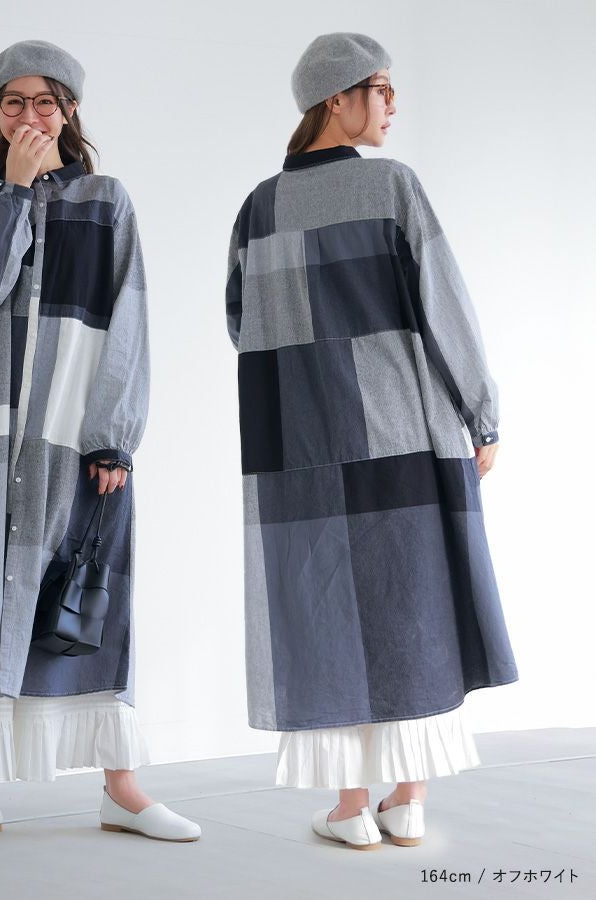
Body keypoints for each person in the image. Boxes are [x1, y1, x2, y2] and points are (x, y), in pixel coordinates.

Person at [224, 32, 519, 851]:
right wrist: (480, 413)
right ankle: (407, 799)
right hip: (400, 426)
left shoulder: (259, 205)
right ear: (337, 98)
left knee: (322, 606)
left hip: (295, 439)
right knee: (412, 598)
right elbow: (443, 303)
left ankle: (351, 807)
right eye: (379, 88)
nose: (392, 103)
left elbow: (239, 321)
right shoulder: (392, 186)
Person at [0, 39, 200, 846]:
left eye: (44, 101)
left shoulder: (107, 200)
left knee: (85, 594)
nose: (29, 115)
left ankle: (123, 791)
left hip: (77, 434)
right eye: (13, 103)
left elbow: (130, 318)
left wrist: (113, 437)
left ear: (70, 110)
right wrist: (14, 190)